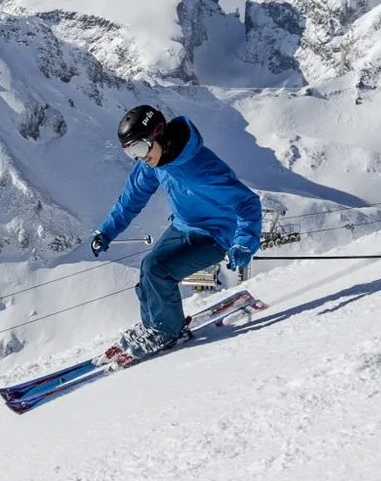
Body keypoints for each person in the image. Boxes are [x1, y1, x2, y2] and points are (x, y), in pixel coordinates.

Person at [90, 104, 263, 360]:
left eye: (139, 148)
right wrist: (106, 231)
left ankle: (167, 331)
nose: (139, 158)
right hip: (183, 226)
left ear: (158, 134)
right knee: (148, 270)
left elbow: (247, 202)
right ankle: (153, 325)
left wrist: (244, 242)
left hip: (215, 235)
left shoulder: (200, 168)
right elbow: (131, 199)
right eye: (130, 153)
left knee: (157, 268)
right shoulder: (153, 162)